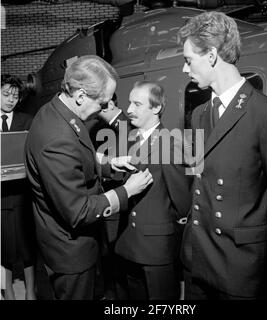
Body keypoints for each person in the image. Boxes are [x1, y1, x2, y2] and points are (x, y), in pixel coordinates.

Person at [178, 11, 267, 300]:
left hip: (241, 267)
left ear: (211, 55)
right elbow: (199, 178)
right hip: (197, 259)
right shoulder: (199, 114)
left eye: (188, 60)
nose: (185, 70)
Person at [24, 55, 153, 300]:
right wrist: (126, 191)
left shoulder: (62, 112)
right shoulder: (55, 137)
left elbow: (78, 156)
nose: (104, 109)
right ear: (81, 95)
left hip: (77, 245)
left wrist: (109, 164)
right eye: (102, 102)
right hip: (71, 254)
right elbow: (78, 211)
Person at [114, 80, 192, 300]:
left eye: (137, 104)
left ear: (156, 108)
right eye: (129, 103)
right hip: (129, 243)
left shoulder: (171, 144)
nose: (129, 110)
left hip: (157, 250)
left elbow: (183, 203)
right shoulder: (130, 140)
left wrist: (164, 234)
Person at [85, 94, 133, 300]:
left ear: (110, 104)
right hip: (106, 197)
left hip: (117, 199)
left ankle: (116, 296)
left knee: (113, 252)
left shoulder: (125, 127)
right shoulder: (103, 126)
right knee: (106, 251)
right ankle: (110, 292)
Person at [1, 74, 36, 300]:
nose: (11, 100)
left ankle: (31, 291)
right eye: (6, 94)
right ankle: (9, 291)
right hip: (0, 198)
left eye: (15, 96)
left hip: (23, 194)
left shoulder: (27, 120)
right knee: (3, 247)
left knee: (27, 246)